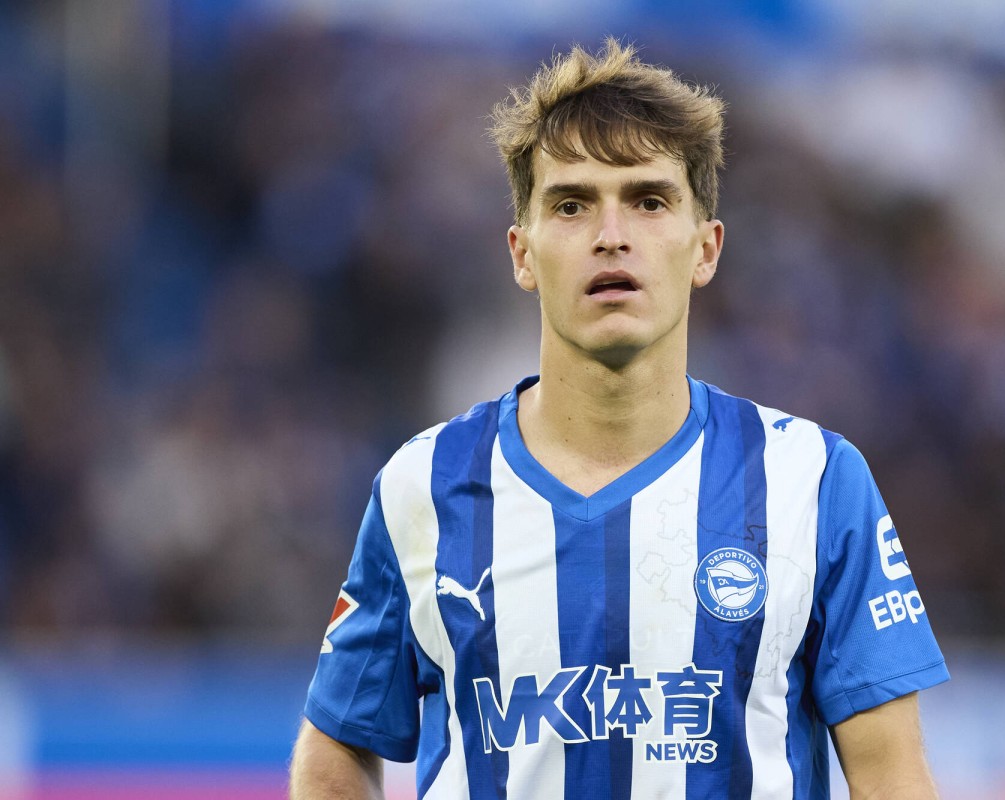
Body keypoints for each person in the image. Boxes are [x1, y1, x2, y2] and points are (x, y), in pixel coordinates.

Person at [289, 39, 948, 800]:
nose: (611, 234)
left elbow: (891, 776)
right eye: (571, 205)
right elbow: (335, 755)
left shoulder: (814, 480)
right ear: (522, 253)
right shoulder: (424, 484)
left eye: (649, 200)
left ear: (705, 249)